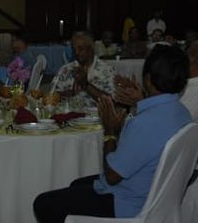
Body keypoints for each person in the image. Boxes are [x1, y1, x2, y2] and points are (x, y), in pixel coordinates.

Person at [33, 44, 191, 222]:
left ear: (147, 78)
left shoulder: (145, 123)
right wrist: (140, 102)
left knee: (43, 203)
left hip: (128, 204)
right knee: (76, 185)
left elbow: (112, 176)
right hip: (156, 196)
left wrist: (110, 132)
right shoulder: (182, 113)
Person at [52, 33, 115, 107]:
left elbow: (112, 102)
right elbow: (53, 96)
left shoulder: (106, 70)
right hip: (68, 115)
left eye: (81, 49)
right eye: (74, 49)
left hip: (96, 116)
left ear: (91, 48)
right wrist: (72, 92)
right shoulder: (66, 70)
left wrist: (85, 84)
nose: (77, 52)